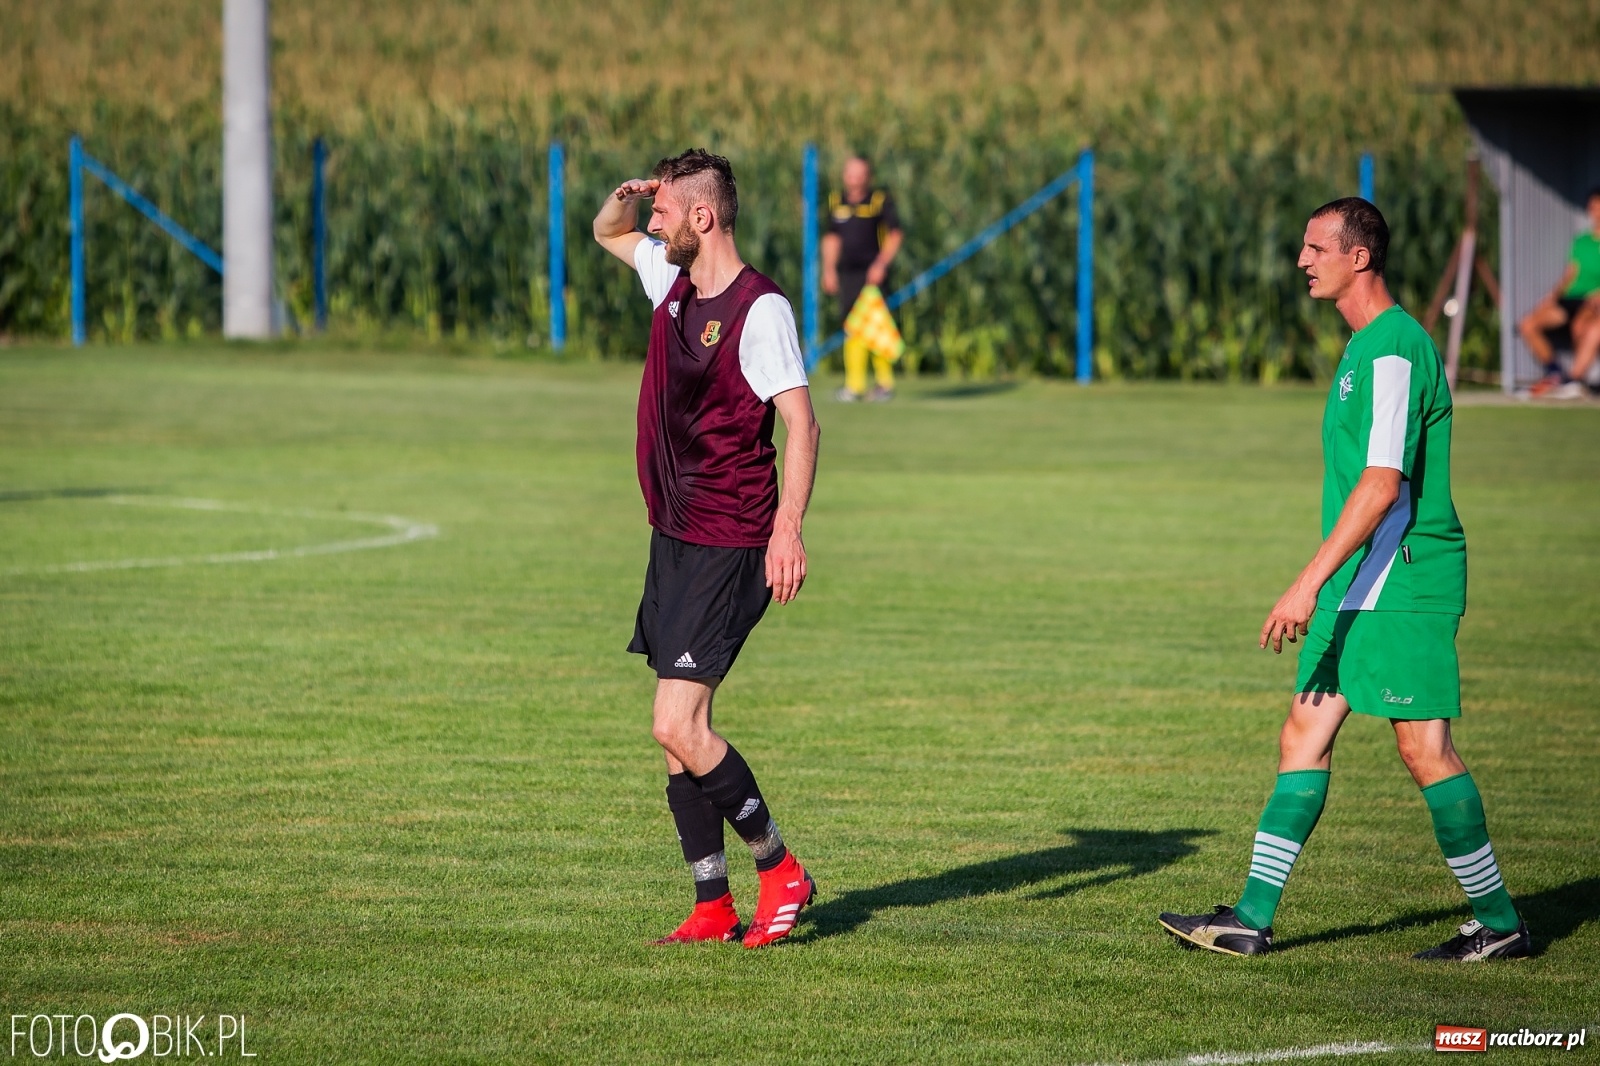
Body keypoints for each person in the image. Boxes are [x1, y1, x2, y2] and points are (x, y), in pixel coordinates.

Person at [1158, 198, 1531, 961]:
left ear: (1358, 257)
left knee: (1424, 748)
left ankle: (1500, 924)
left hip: (1401, 579)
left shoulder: (1394, 350)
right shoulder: (1364, 349)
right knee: (1306, 726)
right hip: (1359, 582)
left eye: (1315, 248)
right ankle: (1252, 918)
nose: (1302, 260)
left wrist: (1305, 582)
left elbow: (1383, 484)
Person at [593, 149, 822, 948]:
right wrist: (635, 195)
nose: (651, 223)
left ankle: (780, 867)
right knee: (674, 736)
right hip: (674, 538)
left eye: (666, 211)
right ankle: (711, 905)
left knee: (677, 723)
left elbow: (803, 423)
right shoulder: (672, 282)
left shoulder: (762, 311)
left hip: (731, 541)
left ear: (704, 217)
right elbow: (604, 230)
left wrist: (788, 525)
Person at [822, 156, 904, 402]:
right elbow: (831, 239)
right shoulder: (836, 202)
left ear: (868, 176)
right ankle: (854, 385)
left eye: (859, 173)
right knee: (852, 327)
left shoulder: (879, 201)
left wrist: (881, 264)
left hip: (873, 275)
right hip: (848, 274)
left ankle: (884, 384)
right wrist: (828, 269)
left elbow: (895, 234)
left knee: (877, 325)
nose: (854, 177)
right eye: (850, 172)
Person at [1517, 186, 1600, 398]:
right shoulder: (1582, 241)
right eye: (1592, 207)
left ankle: (1575, 380)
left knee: (1581, 328)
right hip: (1570, 298)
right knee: (1528, 325)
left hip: (1591, 301)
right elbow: (1570, 274)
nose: (1595, 211)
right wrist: (1551, 297)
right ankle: (1556, 374)